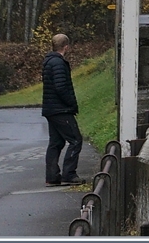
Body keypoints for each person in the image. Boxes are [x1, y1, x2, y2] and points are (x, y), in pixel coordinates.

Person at [42, 33, 85, 186]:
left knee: (56, 142)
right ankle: (69, 174)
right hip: (61, 109)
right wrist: (71, 103)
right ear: (66, 47)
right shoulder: (58, 63)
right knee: (75, 140)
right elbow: (61, 87)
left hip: (50, 109)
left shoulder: (48, 61)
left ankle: (52, 176)